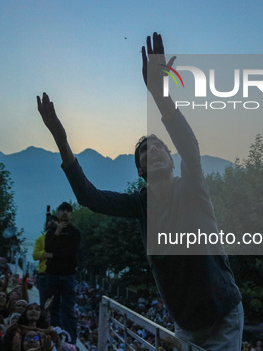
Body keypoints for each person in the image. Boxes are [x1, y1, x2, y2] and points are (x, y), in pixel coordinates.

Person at [37, 32, 243, 350]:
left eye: (161, 146)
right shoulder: (139, 206)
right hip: (187, 324)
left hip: (224, 314)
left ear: (172, 162)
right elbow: (88, 197)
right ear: (140, 170)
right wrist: (61, 140)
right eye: (147, 150)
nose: (156, 150)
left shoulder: (191, 189)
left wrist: (160, 95)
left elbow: (190, 147)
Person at [43, 202, 80, 345]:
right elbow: (47, 248)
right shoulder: (52, 232)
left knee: (68, 308)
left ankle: (71, 340)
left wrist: (54, 255)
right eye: (62, 210)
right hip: (52, 274)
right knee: (53, 307)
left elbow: (71, 252)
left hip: (68, 274)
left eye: (68, 210)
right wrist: (57, 234)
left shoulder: (75, 232)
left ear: (71, 214)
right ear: (58, 213)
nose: (65, 213)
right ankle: (55, 337)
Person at [32, 208, 56, 308]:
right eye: (49, 221)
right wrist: (46, 254)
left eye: (53, 221)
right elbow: (35, 255)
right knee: (43, 303)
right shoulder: (40, 239)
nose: (51, 223)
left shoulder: (64, 238)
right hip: (44, 275)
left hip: (58, 275)